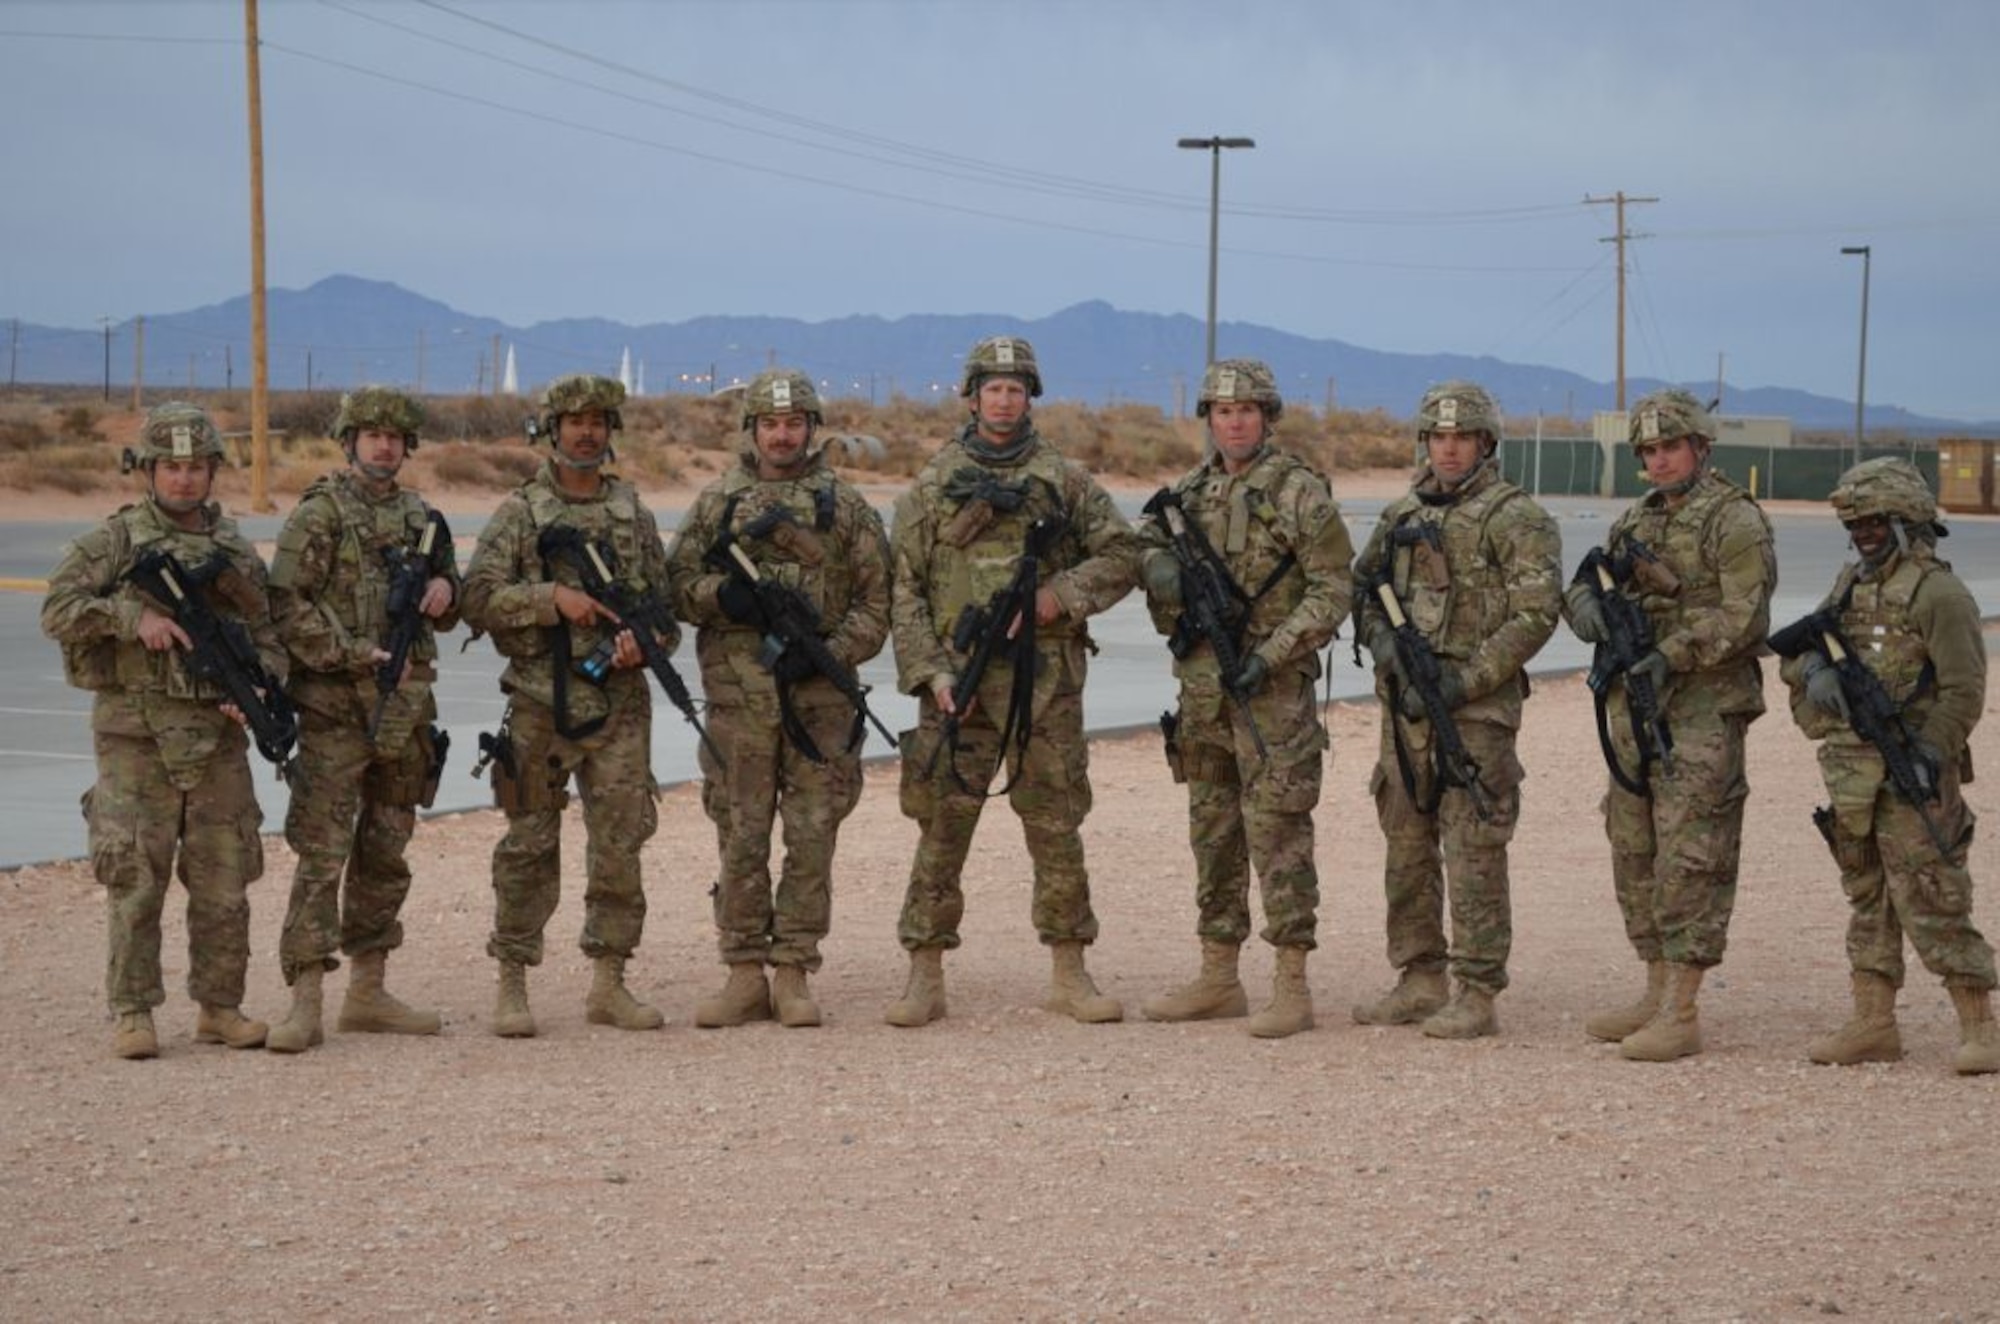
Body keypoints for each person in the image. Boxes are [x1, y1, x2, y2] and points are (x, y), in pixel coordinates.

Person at [884, 335, 1140, 1026]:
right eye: (992, 388)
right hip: (957, 690)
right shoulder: (935, 484)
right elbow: (903, 591)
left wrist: (1060, 595)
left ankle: (1069, 969)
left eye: (1016, 388)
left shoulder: (1064, 480)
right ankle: (924, 973)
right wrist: (930, 673)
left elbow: (1124, 554)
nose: (1003, 399)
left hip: (1044, 686)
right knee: (941, 827)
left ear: (1031, 397)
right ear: (971, 397)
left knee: (1055, 826)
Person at [41, 401, 280, 1059]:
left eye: (196, 466)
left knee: (224, 882)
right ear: (148, 470)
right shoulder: (113, 542)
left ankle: (220, 1008)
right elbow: (58, 609)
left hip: (214, 742)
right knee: (135, 881)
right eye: (171, 466)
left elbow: (265, 631)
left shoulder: (232, 549)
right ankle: (133, 1011)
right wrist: (130, 619)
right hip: (135, 739)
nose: (183, 479)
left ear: (213, 472)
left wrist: (259, 688)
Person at [665, 368, 891, 1028]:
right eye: (771, 424)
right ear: (753, 430)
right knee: (740, 836)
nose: (784, 435)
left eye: (795, 424)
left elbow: (877, 606)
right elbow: (677, 587)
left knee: (812, 836)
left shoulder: (845, 507)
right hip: (738, 705)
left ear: (813, 430)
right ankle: (741, 971)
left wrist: (830, 652)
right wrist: (721, 596)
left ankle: (793, 969)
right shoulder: (718, 503)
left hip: (820, 705)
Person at [1134, 358, 1353, 1038]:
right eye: (1223, 412)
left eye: (1248, 411)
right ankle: (1219, 974)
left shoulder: (1298, 492)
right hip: (1203, 692)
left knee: (1278, 831)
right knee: (1214, 830)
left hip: (1274, 695)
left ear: (1268, 416)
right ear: (1208, 419)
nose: (1234, 422)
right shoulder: (1188, 495)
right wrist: (1160, 568)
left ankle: (1291, 982)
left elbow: (1332, 589)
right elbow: (1140, 551)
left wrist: (1271, 653)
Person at [1562, 388, 1775, 1061]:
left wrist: (1669, 653)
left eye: (1670, 447)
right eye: (1649, 451)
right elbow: (1598, 587)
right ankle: (1653, 986)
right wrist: (1585, 611)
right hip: (1638, 705)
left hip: (1704, 704)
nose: (1659, 461)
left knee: (1692, 849)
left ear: (1701, 447)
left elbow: (1746, 616)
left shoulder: (1732, 520)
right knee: (1633, 844)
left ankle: (1682, 1006)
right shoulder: (1636, 522)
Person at [460, 373, 675, 1037]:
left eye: (597, 421)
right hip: (537, 705)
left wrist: (646, 642)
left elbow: (664, 609)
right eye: (574, 421)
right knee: (528, 843)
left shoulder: (632, 513)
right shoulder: (522, 513)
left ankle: (609, 982)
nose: (586, 432)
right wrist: (548, 598)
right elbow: (477, 599)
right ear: (550, 432)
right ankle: (513, 981)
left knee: (620, 842)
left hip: (619, 708)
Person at [1350, 381, 1560, 1039]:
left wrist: (1462, 681)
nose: (1448, 449)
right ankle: (1419, 976)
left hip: (1474, 714)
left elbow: (1535, 615)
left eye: (1461, 438)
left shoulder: (1515, 518)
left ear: (1485, 443)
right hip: (1405, 709)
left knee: (1473, 847)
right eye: (1438, 438)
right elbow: (1363, 587)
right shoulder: (1402, 513)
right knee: (1405, 846)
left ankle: (1476, 989)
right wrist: (1387, 648)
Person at [1780, 458, 1998, 1075]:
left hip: (1913, 773)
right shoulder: (1852, 583)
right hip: (1852, 775)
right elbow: (1800, 650)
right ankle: (1873, 1023)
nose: (1865, 532)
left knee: (1934, 893)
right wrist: (1813, 671)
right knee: (1868, 896)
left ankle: (1980, 1024)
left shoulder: (1940, 593)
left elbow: (1963, 690)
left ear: (1908, 520)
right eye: (1857, 522)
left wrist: (1930, 754)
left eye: (1876, 521)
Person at [262, 386, 461, 1053]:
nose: (383, 446)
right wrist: (352, 654)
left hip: (404, 714)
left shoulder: (421, 518)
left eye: (395, 437)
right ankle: (305, 997)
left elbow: (454, 594)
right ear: (349, 441)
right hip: (334, 713)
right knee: (322, 854)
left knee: (385, 851)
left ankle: (368, 989)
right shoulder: (320, 515)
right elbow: (286, 607)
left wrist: (444, 592)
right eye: (371, 434)